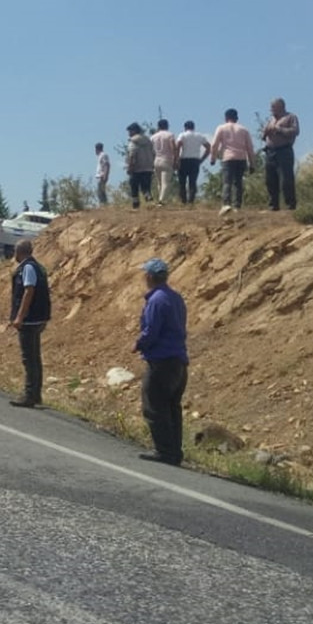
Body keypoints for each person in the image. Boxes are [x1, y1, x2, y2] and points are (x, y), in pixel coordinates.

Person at [134, 257, 188, 466]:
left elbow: (151, 331)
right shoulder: (176, 298)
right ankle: (174, 451)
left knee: (154, 406)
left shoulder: (156, 300)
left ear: (149, 276)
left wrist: (139, 344)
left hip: (161, 361)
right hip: (178, 361)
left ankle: (164, 450)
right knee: (172, 407)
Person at [7, 239, 50, 408]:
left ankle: (30, 394)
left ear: (19, 252)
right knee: (35, 357)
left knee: (29, 359)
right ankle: (35, 394)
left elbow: (29, 291)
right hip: (37, 318)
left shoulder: (28, 268)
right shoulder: (38, 267)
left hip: (30, 319)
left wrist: (19, 317)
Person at [209, 109, 255, 215]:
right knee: (238, 183)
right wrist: (252, 164)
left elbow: (214, 144)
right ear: (237, 118)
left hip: (228, 157)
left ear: (226, 118)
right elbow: (250, 148)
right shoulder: (244, 130)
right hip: (241, 158)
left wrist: (213, 158)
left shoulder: (221, 128)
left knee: (227, 182)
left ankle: (226, 204)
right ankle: (237, 206)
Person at [260, 97, 300, 211]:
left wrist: (279, 129)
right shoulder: (271, 119)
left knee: (286, 179)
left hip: (284, 151)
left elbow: (295, 131)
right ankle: (273, 205)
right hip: (270, 152)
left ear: (281, 106)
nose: (271, 109)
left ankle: (290, 205)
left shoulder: (290, 117)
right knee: (270, 179)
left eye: (273, 107)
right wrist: (265, 132)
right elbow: (264, 137)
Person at [175, 119, 211, 205]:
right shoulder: (199, 136)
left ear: (185, 128)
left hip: (184, 160)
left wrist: (177, 158)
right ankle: (191, 201)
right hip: (195, 160)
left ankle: (183, 201)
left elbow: (178, 145)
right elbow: (208, 147)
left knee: (182, 182)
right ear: (193, 127)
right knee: (193, 181)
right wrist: (202, 159)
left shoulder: (182, 135)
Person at [125, 124, 155, 208]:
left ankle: (136, 204)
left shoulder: (133, 141)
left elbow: (132, 154)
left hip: (137, 168)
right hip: (148, 167)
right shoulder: (148, 140)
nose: (129, 133)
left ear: (134, 131)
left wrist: (130, 167)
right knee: (146, 188)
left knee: (134, 187)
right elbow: (153, 153)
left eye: (130, 131)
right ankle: (149, 200)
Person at [149, 119, 179, 205]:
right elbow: (173, 148)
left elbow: (150, 150)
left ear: (158, 126)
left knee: (159, 183)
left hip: (156, 159)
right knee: (165, 182)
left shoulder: (153, 137)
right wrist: (176, 159)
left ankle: (160, 198)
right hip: (166, 160)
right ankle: (161, 200)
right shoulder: (169, 135)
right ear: (167, 126)